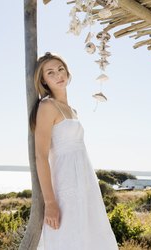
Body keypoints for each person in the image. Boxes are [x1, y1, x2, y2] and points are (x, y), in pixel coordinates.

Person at [29, 52, 119, 249]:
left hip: (84, 183)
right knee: (67, 239)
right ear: (43, 81)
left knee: (89, 237)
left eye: (61, 69)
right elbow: (41, 156)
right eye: (50, 72)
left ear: (68, 73)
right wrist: (50, 202)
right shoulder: (46, 106)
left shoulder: (72, 110)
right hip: (64, 185)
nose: (58, 75)